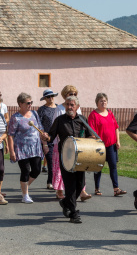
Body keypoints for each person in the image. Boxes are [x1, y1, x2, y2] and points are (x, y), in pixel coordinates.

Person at [42, 95, 93, 223]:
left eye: (72, 105)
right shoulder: (59, 120)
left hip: (81, 157)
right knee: (70, 186)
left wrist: (92, 139)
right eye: (67, 104)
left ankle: (66, 203)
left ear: (77, 107)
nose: (69, 107)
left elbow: (89, 136)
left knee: (80, 185)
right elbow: (51, 137)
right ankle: (73, 214)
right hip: (66, 157)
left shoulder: (83, 120)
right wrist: (46, 136)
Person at [51, 85, 91, 201]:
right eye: (70, 94)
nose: (73, 96)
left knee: (78, 171)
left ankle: (80, 192)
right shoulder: (59, 109)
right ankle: (60, 191)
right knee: (63, 170)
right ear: (65, 95)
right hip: (63, 145)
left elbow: (82, 126)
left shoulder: (78, 109)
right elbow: (56, 128)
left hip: (78, 147)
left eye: (74, 94)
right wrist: (52, 142)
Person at [88, 93, 126, 196]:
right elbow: (91, 131)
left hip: (111, 145)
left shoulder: (110, 113)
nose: (103, 102)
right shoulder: (93, 115)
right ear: (97, 102)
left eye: (105, 100)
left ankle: (116, 189)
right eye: (101, 101)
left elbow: (116, 128)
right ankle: (97, 188)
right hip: (99, 146)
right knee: (98, 167)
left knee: (113, 166)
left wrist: (118, 141)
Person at [8, 93, 44, 204]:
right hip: (22, 148)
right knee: (25, 170)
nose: (30, 105)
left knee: (37, 170)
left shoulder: (34, 113)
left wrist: (45, 142)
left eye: (31, 102)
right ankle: (25, 195)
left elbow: (40, 129)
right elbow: (10, 135)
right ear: (20, 104)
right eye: (28, 103)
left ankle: (25, 186)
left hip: (36, 148)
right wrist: (12, 151)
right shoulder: (16, 117)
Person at [37, 89, 58, 190]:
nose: (51, 98)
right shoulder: (42, 110)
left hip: (57, 138)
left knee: (56, 161)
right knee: (50, 160)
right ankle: (50, 181)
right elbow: (39, 124)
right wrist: (44, 141)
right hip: (46, 137)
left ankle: (55, 181)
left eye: (52, 96)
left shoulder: (58, 108)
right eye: (48, 97)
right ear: (45, 99)